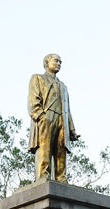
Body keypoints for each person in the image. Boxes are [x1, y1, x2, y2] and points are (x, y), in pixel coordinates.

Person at [28, 53, 80, 182]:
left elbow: (67, 110)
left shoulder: (63, 86)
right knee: (44, 147)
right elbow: (33, 99)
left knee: (61, 148)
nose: (59, 64)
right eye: (56, 61)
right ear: (47, 62)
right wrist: (41, 116)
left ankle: (60, 177)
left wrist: (71, 129)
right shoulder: (38, 78)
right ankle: (43, 176)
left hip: (62, 119)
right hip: (46, 116)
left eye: (60, 62)